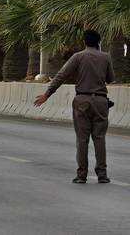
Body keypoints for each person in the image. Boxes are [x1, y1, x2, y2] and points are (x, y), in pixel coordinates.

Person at [34, 30, 115, 184]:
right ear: (98, 42)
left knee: (82, 139)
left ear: (84, 42)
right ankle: (102, 175)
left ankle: (81, 175)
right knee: (99, 139)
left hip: (82, 100)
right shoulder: (106, 57)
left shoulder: (78, 57)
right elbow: (110, 79)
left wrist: (47, 94)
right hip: (100, 101)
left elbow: (61, 75)